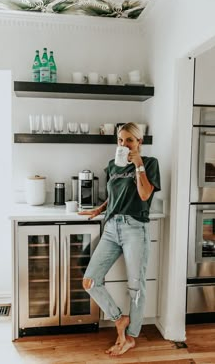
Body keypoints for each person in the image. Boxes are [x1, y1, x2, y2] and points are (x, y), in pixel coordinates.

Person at [79, 122, 161, 356]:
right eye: (120, 140)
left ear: (139, 142)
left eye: (129, 140)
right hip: (112, 228)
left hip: (136, 229)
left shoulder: (150, 163)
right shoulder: (112, 166)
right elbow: (115, 196)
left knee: (136, 288)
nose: (123, 145)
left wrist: (138, 165)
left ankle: (131, 337)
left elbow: (144, 194)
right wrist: (99, 210)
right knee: (90, 280)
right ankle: (119, 319)